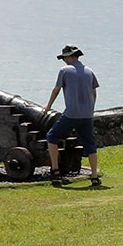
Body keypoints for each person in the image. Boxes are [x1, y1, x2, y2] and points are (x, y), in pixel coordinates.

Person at [43, 44, 101, 186]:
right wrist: (90, 109)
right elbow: (94, 92)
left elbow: (56, 89)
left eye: (64, 58)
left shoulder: (64, 71)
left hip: (71, 114)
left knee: (52, 136)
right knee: (90, 145)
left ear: (69, 57)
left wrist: (48, 106)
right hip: (87, 115)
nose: (64, 60)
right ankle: (94, 177)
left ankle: (55, 169)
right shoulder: (89, 71)